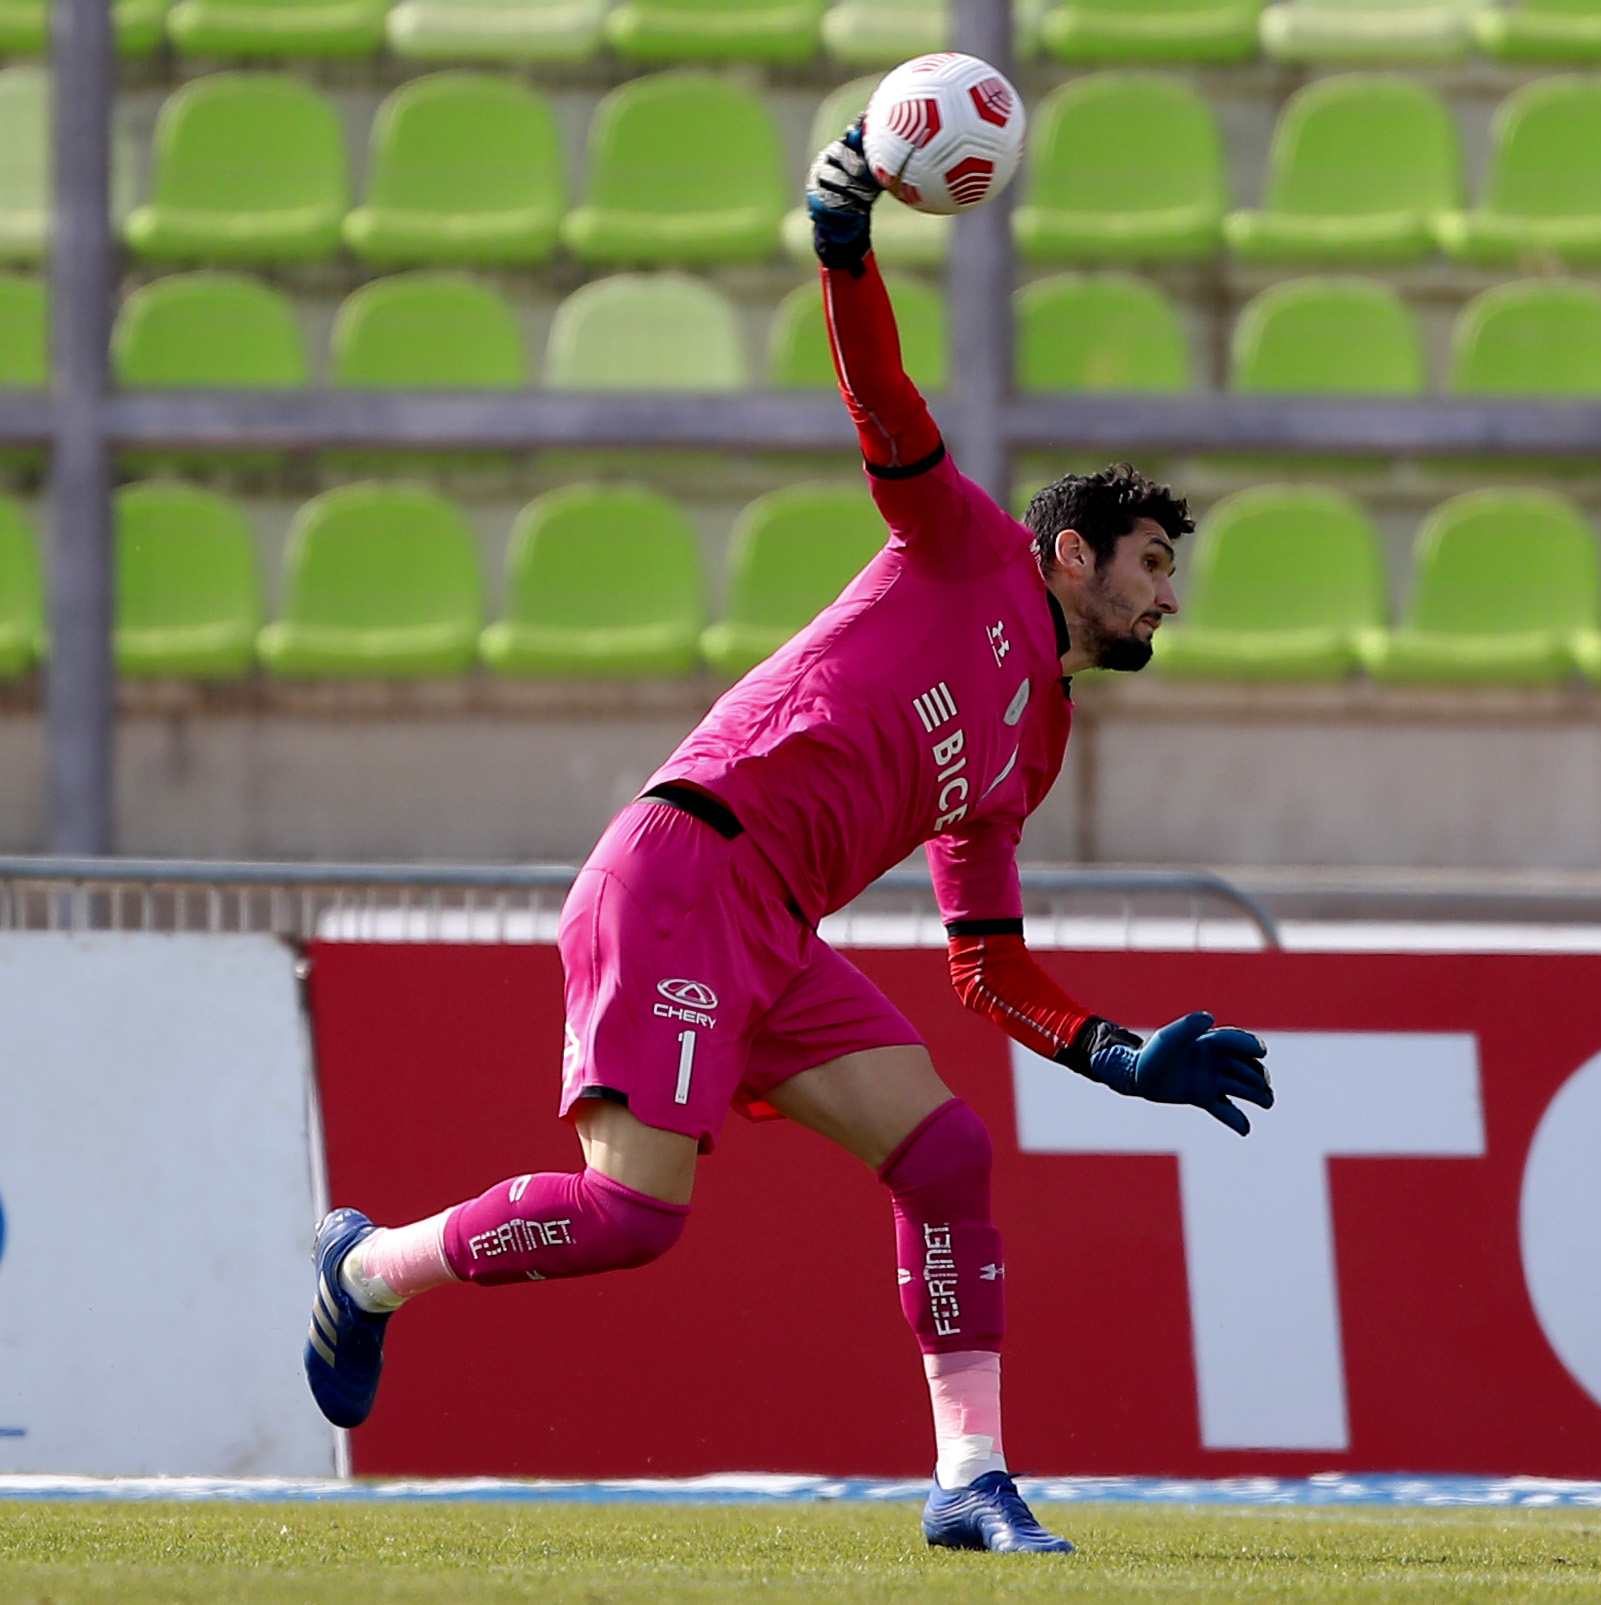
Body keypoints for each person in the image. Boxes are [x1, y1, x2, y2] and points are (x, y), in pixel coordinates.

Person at [303, 120, 1274, 1556]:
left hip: (775, 931)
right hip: (686, 869)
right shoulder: (965, 549)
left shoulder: (1035, 742)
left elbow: (986, 961)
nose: (1167, 598)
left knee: (945, 1153)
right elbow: (884, 399)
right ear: (1073, 552)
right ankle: (366, 1271)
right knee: (636, 1217)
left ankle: (971, 1479)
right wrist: (844, 243)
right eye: (1153, 564)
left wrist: (1118, 1054)